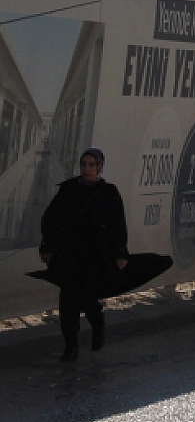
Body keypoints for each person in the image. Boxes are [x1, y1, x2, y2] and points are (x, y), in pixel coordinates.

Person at [37, 149, 128, 361]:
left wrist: (120, 253)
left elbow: (117, 225)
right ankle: (71, 346)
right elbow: (50, 220)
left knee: (88, 299)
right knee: (68, 303)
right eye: (84, 164)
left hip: (96, 256)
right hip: (70, 255)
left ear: (100, 167)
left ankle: (98, 327)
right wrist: (47, 248)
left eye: (91, 165)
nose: (86, 169)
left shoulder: (108, 193)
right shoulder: (68, 190)